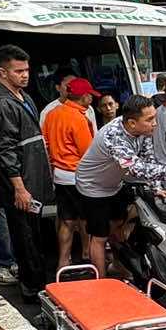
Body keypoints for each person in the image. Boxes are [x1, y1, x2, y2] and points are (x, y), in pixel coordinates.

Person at [75, 95, 166, 277]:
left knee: (116, 226)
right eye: (149, 120)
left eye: (154, 117)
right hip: (93, 186)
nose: (155, 123)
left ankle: (117, 265)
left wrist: (157, 189)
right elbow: (137, 169)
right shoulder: (113, 135)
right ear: (132, 123)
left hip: (115, 183)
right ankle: (100, 281)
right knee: (100, 236)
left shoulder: (144, 131)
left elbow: (149, 159)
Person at [0, 46, 53, 297]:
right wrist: (19, 188)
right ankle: (32, 289)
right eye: (18, 71)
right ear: (2, 72)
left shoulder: (24, 97)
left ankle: (38, 285)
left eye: (26, 70)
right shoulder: (2, 104)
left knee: (35, 237)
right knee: (25, 240)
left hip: (33, 180)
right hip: (20, 185)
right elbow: (5, 149)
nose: (24, 75)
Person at [45, 77, 97, 278]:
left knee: (66, 221)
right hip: (78, 175)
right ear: (84, 96)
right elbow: (88, 151)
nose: (91, 99)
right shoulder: (78, 118)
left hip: (59, 175)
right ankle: (86, 256)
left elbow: (46, 144)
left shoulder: (52, 114)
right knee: (85, 220)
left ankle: (62, 262)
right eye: (90, 96)